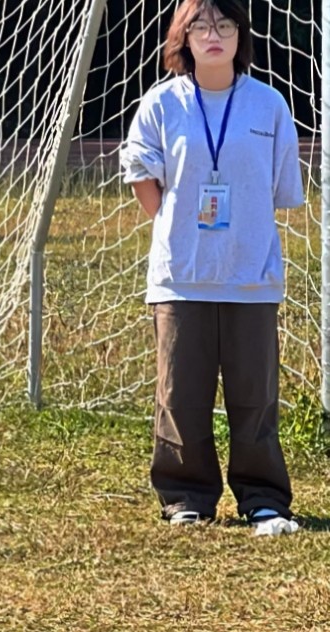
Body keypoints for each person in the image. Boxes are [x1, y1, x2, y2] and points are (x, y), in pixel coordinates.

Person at [119, 0, 304, 536]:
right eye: (200, 25)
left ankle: (263, 499)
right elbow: (141, 172)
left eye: (224, 24)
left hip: (251, 275)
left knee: (255, 398)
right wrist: (177, 227)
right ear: (184, 37)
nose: (213, 34)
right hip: (181, 276)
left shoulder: (268, 105)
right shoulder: (162, 103)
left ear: (241, 34)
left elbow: (279, 189)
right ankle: (186, 497)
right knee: (180, 397)